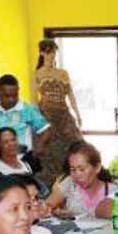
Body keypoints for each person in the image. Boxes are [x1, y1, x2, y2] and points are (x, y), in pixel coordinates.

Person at [33, 40, 83, 185]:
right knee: (50, 150)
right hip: (46, 115)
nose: (51, 55)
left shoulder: (63, 73)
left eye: (53, 52)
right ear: (42, 53)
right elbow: (33, 100)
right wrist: (37, 121)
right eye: (48, 52)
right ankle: (53, 186)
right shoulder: (37, 74)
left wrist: (78, 114)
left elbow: (71, 95)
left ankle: (74, 181)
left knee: (76, 145)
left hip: (64, 114)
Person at [0, 74, 51, 157]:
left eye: (15, 95)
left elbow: (45, 131)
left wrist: (37, 149)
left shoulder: (28, 109)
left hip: (22, 159)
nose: (11, 100)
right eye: (7, 96)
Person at [45, 141, 114, 220]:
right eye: (73, 169)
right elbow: (47, 206)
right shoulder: (70, 183)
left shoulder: (113, 190)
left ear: (97, 168)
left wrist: (75, 213)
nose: (77, 175)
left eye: (82, 169)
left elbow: (111, 211)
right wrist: (54, 211)